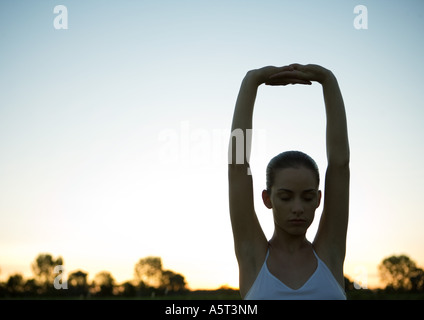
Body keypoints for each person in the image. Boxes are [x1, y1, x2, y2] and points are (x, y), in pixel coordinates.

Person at [228, 64, 349, 300]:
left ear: (319, 200)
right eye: (285, 197)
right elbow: (237, 165)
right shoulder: (253, 257)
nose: (298, 208)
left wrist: (328, 80)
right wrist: (252, 81)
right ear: (267, 198)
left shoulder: (329, 254)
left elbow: (340, 166)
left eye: (307, 197)